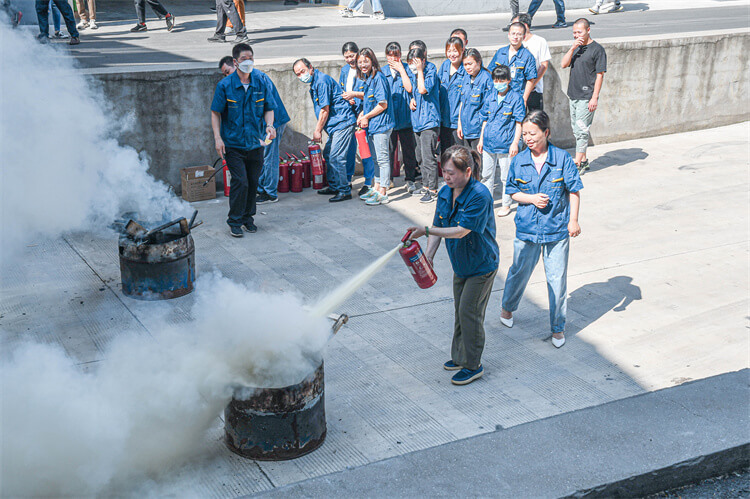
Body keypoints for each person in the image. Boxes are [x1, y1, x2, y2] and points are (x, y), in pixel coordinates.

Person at [406, 145, 498, 386]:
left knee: (470, 312)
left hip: (481, 265)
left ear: (468, 171)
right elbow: (438, 224)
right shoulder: (447, 192)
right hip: (461, 264)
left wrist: (424, 230)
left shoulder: (479, 195)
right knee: (460, 311)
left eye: (452, 173)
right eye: (444, 172)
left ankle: (473, 365)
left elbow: (460, 231)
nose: (446, 177)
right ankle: (460, 357)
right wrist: (429, 256)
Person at [500, 110, 582, 348]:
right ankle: (507, 309)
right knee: (519, 272)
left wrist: (573, 220)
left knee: (556, 280)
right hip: (527, 229)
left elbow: (574, 190)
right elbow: (512, 192)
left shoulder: (562, 159)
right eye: (525, 134)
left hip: (556, 231)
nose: (528, 138)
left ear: (546, 132)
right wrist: (532, 198)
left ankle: (558, 329)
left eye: (533, 133)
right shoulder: (519, 161)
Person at [210, 43, 276, 238]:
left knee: (253, 182)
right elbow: (215, 113)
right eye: (244, 59)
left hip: (256, 143)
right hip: (234, 144)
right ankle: (235, 221)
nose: (248, 62)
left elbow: (268, 108)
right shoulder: (225, 86)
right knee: (241, 182)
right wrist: (217, 138)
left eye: (251, 58)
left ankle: (248, 218)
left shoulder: (260, 82)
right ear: (235, 61)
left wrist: (270, 126)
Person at [216, 51, 290, 205]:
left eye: (227, 72)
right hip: (263, 124)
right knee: (262, 156)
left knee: (269, 156)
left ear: (235, 64)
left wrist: (269, 125)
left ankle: (270, 193)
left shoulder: (256, 77)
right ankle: (262, 188)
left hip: (272, 122)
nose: (227, 77)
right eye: (225, 74)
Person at [293, 58, 356, 202]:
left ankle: (344, 190)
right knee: (328, 154)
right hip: (335, 125)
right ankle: (334, 186)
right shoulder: (314, 83)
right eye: (298, 74)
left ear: (310, 67)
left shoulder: (321, 82)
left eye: (302, 71)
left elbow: (324, 110)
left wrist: (317, 130)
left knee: (336, 158)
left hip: (342, 122)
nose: (301, 75)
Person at [477, 65, 525, 217]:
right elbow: (485, 119)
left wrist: (515, 143)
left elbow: (519, 123)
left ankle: (506, 204)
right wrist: (481, 139)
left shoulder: (515, 98)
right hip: (489, 143)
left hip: (506, 144)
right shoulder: (490, 96)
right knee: (486, 175)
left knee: (505, 176)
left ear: (509, 80)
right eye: (496, 80)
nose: (498, 83)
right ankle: (487, 203)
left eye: (502, 80)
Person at [561, 18, 607, 173]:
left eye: (579, 32)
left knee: (581, 131)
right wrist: (573, 48)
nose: (576, 35)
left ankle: (577, 163)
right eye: (574, 32)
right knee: (576, 129)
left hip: (586, 96)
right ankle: (585, 160)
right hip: (573, 94)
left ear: (588, 30)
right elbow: (563, 64)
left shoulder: (597, 50)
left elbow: (600, 75)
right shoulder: (577, 48)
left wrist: (594, 97)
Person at [355, 48, 395, 206]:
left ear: (372, 61)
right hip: (373, 125)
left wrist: (366, 116)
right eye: (360, 62)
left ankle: (383, 191)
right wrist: (363, 113)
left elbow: (382, 104)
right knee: (376, 159)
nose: (362, 64)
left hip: (381, 125)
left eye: (365, 61)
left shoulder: (378, 78)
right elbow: (369, 101)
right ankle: (377, 186)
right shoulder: (367, 78)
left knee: (383, 159)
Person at [383, 42, 419, 195]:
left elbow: (410, 88)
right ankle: (388, 179)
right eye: (390, 56)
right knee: (389, 150)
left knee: (409, 150)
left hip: (406, 118)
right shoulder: (382, 72)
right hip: (389, 119)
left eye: (396, 55)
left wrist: (401, 70)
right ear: (386, 56)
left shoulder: (406, 69)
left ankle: (410, 179)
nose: (393, 58)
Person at [407, 45, 441, 204]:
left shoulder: (430, 71)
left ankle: (432, 189)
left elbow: (422, 89)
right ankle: (426, 185)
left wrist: (420, 70)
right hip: (417, 121)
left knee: (428, 157)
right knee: (420, 157)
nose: (412, 66)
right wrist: (411, 100)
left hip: (429, 121)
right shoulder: (412, 73)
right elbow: (412, 92)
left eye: (416, 63)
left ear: (423, 61)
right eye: (411, 63)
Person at [339, 42, 374, 194]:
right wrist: (347, 97)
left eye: (352, 56)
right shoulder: (344, 70)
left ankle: (368, 181)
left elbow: (370, 94)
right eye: (346, 57)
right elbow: (341, 89)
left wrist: (355, 95)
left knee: (365, 149)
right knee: (349, 150)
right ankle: (348, 179)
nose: (349, 60)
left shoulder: (365, 71)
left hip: (363, 114)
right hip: (349, 114)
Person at [488, 22, 537, 106]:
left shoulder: (527, 56)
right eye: (513, 34)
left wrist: (524, 99)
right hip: (498, 97)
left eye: (519, 34)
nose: (515, 37)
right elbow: (490, 72)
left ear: (524, 37)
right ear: (508, 35)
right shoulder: (500, 52)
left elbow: (531, 79)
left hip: (516, 99)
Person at [457, 48, 493, 153]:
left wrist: (482, 136)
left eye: (470, 64)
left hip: (478, 130)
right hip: (466, 129)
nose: (467, 67)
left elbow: (488, 110)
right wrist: (460, 124)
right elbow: (462, 103)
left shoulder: (486, 79)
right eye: (465, 65)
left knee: (478, 163)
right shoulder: (466, 78)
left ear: (479, 62)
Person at [513, 13, 550, 112]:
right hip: (517, 90)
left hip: (535, 90)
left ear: (525, 25)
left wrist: (531, 85)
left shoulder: (540, 41)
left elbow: (544, 65)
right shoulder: (515, 42)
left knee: (536, 119)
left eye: (516, 25)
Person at [438, 37, 466, 156]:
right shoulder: (445, 66)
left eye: (455, 51)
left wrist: (460, 122)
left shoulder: (465, 69)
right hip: (444, 120)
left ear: (462, 50)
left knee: (458, 155)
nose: (452, 54)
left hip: (457, 122)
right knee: (446, 154)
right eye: (449, 51)